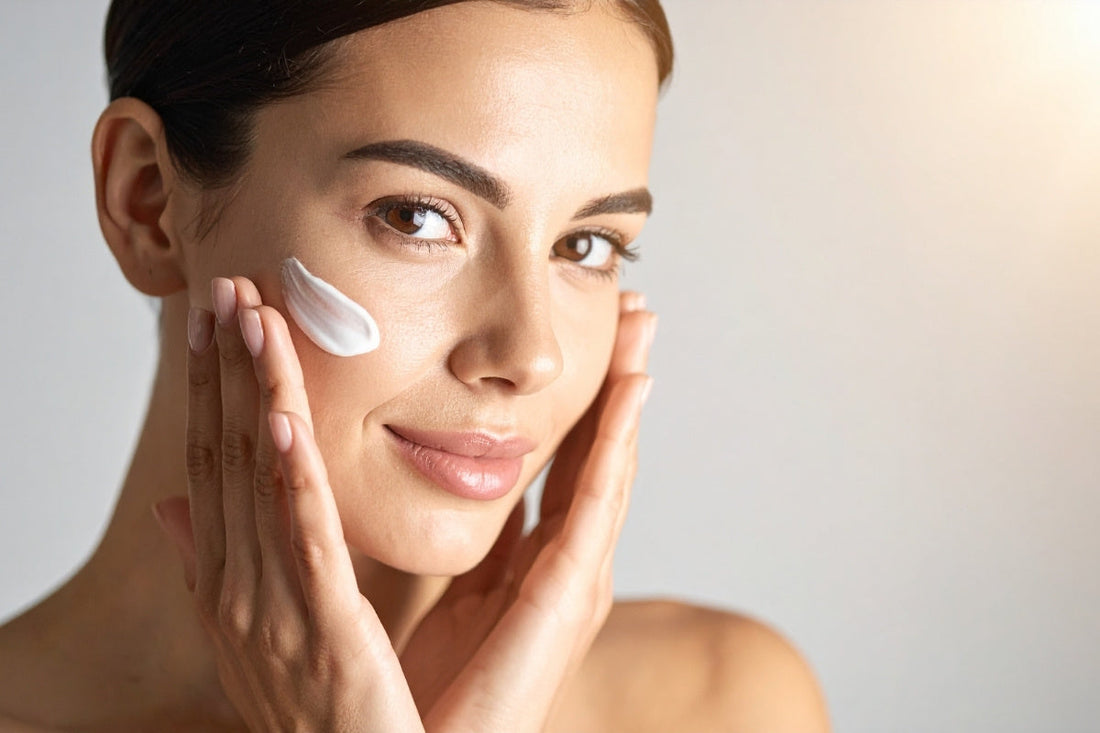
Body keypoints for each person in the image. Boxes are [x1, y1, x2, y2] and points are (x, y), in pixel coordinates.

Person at [0, 1, 830, 731]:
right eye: (417, 216)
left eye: (585, 245)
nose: (530, 354)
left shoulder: (726, 705)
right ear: (147, 200)